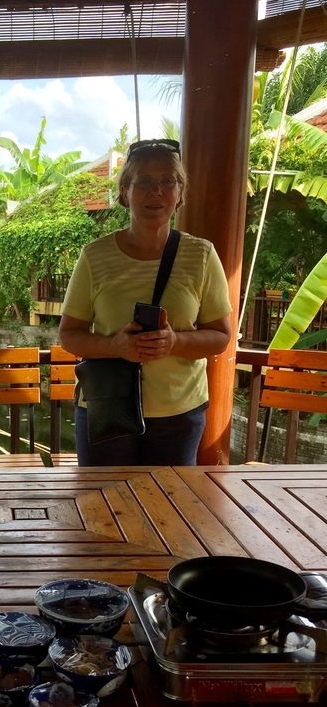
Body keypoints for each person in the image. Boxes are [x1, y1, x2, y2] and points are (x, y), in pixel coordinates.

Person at [58, 138, 232, 467]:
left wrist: (175, 341)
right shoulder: (95, 256)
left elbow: (221, 335)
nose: (157, 191)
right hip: (108, 406)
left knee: (170, 509)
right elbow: (69, 335)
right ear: (125, 191)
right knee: (102, 507)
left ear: (180, 193)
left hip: (178, 414)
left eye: (169, 181)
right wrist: (118, 346)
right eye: (145, 181)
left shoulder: (202, 254)